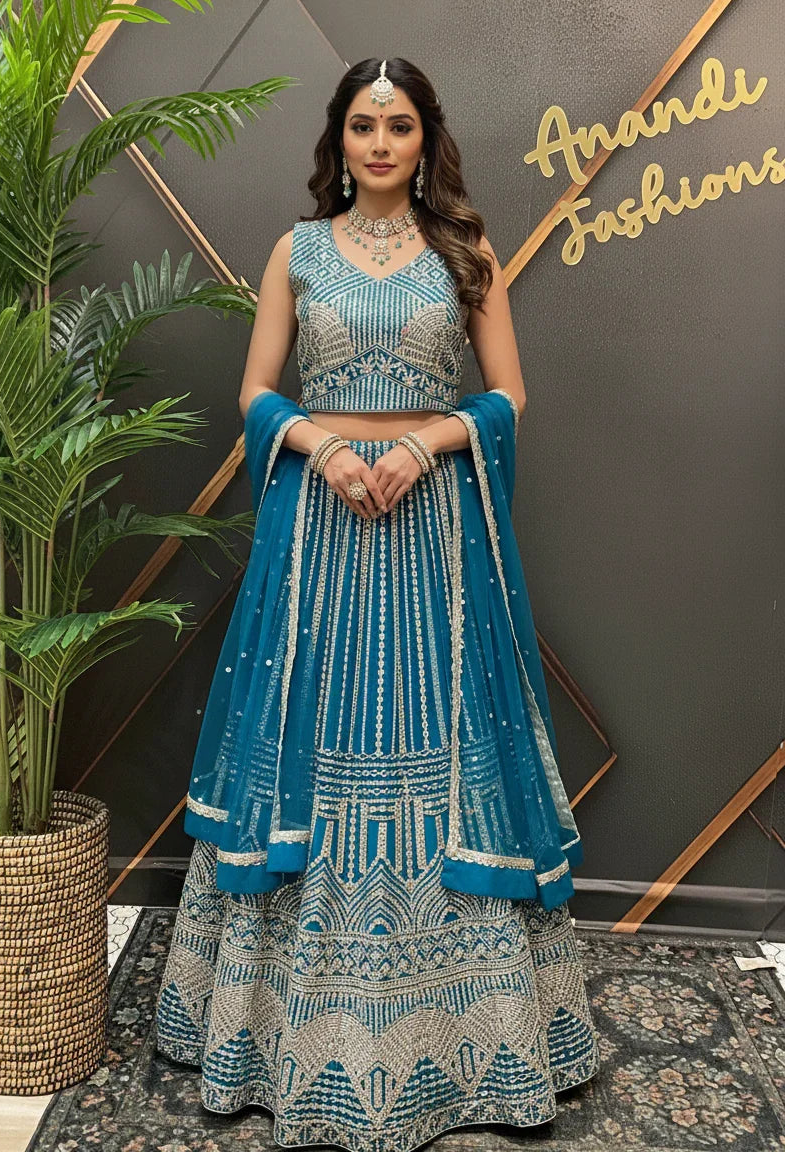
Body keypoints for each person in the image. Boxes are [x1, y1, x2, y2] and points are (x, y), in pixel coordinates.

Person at [155, 57, 600, 1150]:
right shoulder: (295, 251)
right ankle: (272, 1030)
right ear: (339, 139)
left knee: (440, 747)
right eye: (363, 125)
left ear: (424, 137)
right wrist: (316, 445)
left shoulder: (465, 252)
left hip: (434, 534)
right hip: (319, 535)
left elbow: (508, 394)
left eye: (399, 125)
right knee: (311, 742)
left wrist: (428, 444)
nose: (381, 143)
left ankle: (471, 1035)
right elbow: (257, 391)